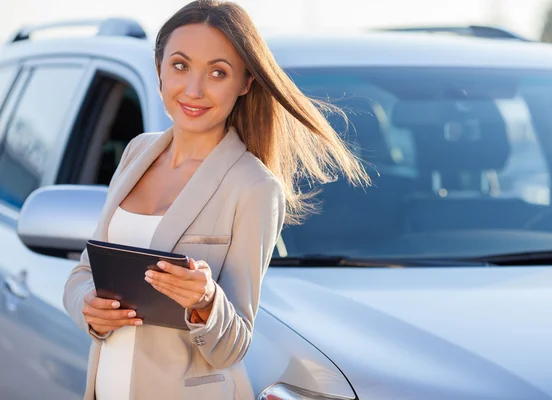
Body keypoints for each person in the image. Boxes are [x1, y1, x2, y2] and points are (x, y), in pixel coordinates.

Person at [62, 1, 369, 399]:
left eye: (217, 72)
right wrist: (88, 307)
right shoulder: (137, 153)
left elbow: (234, 343)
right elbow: (84, 274)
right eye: (180, 66)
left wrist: (206, 301)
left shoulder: (254, 187)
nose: (193, 89)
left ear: (244, 83)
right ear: (159, 69)